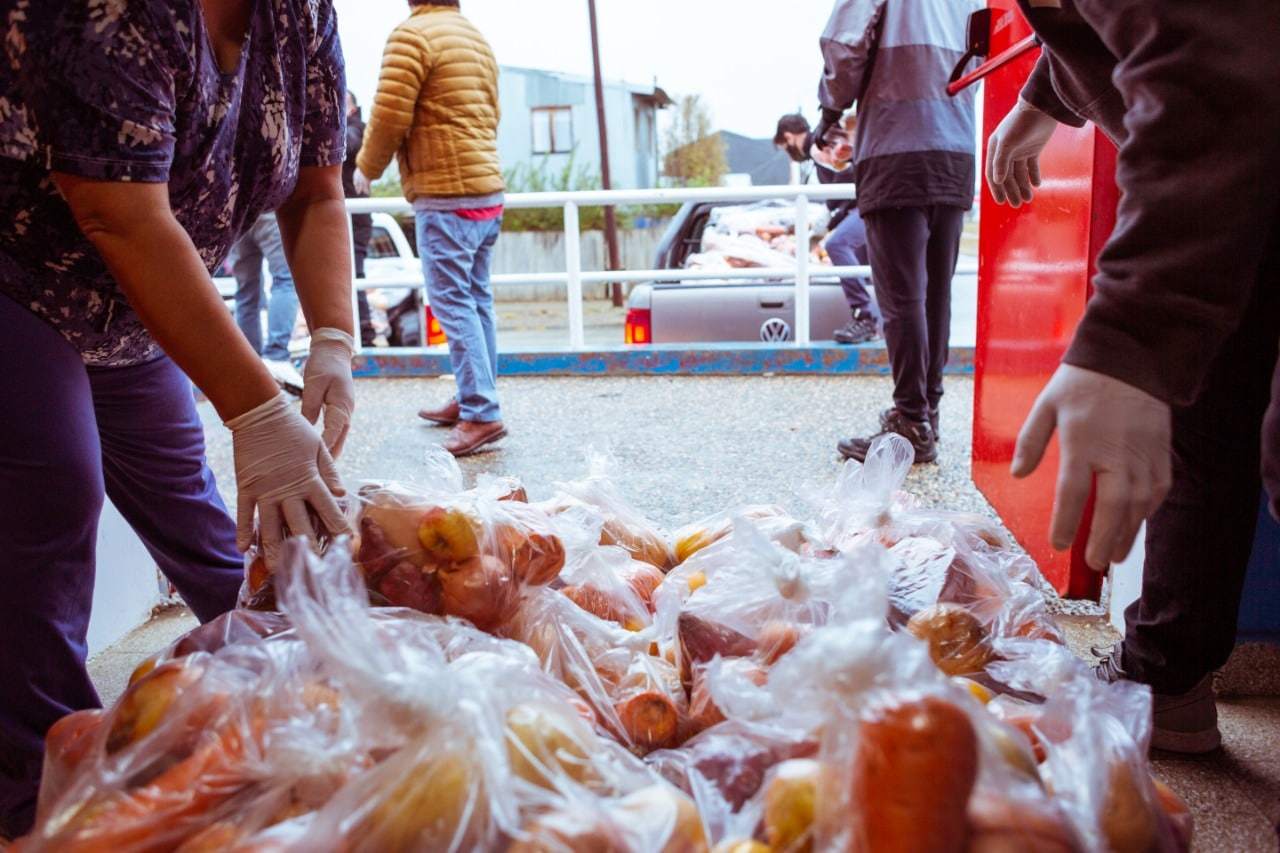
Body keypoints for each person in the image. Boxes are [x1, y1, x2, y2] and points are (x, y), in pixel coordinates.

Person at [0, 0, 356, 837]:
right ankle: (35, 789)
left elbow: (317, 189)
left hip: (129, 303)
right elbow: (118, 213)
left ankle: (315, 709)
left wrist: (334, 338)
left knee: (218, 521)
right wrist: (258, 409)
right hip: (20, 271)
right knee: (54, 490)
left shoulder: (301, 16)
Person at [986, 0, 1279, 754]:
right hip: (1236, 185)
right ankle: (1165, 677)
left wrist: (1128, 339)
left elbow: (1211, 74)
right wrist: (1041, 99)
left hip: (1244, 139)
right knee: (1199, 410)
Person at [816, 0, 979, 464]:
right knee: (935, 296)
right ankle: (928, 414)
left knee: (901, 298)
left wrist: (829, 111)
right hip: (955, 148)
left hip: (895, 147)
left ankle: (911, 418)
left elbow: (845, 47)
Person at [354, 0, 507, 457]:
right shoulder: (473, 35)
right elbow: (492, 113)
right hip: (486, 190)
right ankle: (473, 395)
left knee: (453, 301)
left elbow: (388, 116)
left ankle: (481, 412)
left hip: (446, 194)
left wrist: (367, 168)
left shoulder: (412, 36)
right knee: (476, 299)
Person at [774, 113, 878, 345]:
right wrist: (815, 236)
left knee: (838, 244)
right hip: (868, 202)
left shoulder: (816, 147)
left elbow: (844, 181)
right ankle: (872, 319)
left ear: (789, 138)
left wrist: (816, 236)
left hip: (871, 201)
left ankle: (864, 317)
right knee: (858, 257)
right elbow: (837, 203)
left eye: (785, 147)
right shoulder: (822, 147)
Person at [229, 213, 306, 390]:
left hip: (237, 214)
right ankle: (276, 356)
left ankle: (250, 365)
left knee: (246, 291)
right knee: (285, 280)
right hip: (270, 209)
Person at [344, 91, 378, 348]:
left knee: (354, 271)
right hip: (345, 214)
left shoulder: (358, 129)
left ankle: (364, 332)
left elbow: (349, 143)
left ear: (353, 108)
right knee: (348, 273)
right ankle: (358, 331)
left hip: (355, 217)